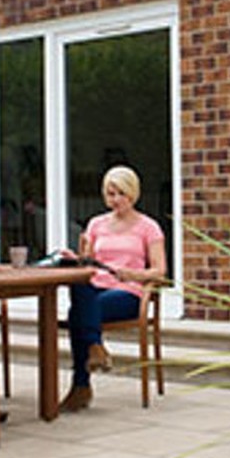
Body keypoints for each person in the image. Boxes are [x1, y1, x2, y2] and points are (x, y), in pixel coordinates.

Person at [58, 165, 166, 412]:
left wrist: (133, 274)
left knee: (78, 315)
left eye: (120, 194)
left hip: (127, 292)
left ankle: (80, 387)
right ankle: (95, 347)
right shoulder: (96, 224)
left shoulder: (148, 227)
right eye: (110, 194)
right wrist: (74, 258)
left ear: (132, 194)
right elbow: (88, 261)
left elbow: (160, 271)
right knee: (80, 286)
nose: (115, 200)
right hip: (97, 287)